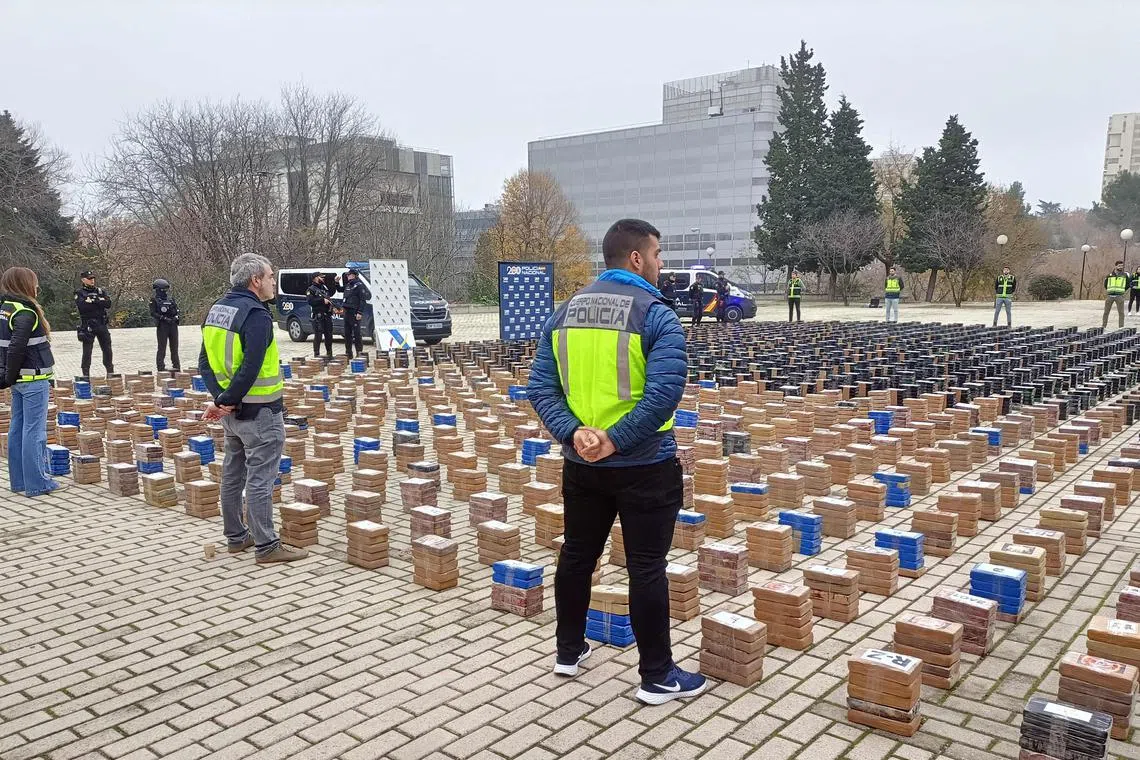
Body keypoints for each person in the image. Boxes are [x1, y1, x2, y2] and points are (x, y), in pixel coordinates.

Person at [528, 218, 704, 706]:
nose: (661, 263)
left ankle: (568, 651)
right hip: (645, 464)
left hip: (582, 465)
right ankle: (656, 676)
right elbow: (665, 393)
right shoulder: (657, 315)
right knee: (647, 567)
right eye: (658, 254)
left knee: (577, 556)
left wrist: (575, 433)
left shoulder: (562, 314)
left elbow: (540, 387)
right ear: (635, 258)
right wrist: (616, 439)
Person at [199, 253, 304, 564]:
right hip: (260, 412)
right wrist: (228, 400)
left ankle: (236, 537)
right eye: (271, 276)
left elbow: (204, 362)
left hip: (232, 415)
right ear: (256, 280)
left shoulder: (216, 310)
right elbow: (251, 366)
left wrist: (222, 400)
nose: (274, 282)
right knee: (260, 478)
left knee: (233, 475)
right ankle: (267, 545)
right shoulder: (256, 315)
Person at [0, 267, 66, 497]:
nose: (36, 287)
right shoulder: (25, 312)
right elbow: (17, 348)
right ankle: (37, 483)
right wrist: (8, 376)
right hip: (32, 378)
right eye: (34, 282)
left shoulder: (6, 309)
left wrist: (8, 376)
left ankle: (19, 481)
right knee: (34, 431)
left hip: (20, 379)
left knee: (17, 428)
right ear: (24, 284)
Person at [75, 270, 114, 379]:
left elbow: (108, 304)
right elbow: (83, 307)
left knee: (107, 349)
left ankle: (110, 372)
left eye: (93, 278)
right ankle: (86, 375)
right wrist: (99, 301)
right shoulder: (80, 293)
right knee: (87, 352)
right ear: (83, 280)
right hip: (88, 325)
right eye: (89, 279)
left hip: (101, 324)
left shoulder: (101, 291)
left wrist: (93, 300)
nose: (92, 281)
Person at [150, 278, 181, 372]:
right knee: (162, 347)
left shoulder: (171, 299)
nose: (165, 292)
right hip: (162, 325)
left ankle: (176, 366)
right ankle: (160, 367)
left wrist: (176, 317)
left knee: (174, 347)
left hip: (173, 325)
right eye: (163, 289)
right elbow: (153, 313)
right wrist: (163, 318)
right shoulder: (154, 300)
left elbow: (177, 310)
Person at [341, 268, 372, 360]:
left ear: (354, 275)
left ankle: (359, 352)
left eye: (349, 275)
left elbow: (363, 300)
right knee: (347, 334)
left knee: (357, 334)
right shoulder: (348, 285)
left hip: (354, 312)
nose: (347, 276)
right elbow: (340, 289)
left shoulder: (359, 286)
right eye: (347, 275)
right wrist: (335, 283)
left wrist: (359, 312)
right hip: (347, 312)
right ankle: (348, 353)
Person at [306, 272, 334, 359]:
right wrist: (322, 301)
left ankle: (329, 353)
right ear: (315, 278)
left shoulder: (324, 288)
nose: (323, 279)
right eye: (321, 277)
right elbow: (310, 301)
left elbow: (330, 295)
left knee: (329, 335)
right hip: (318, 315)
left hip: (327, 315)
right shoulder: (310, 289)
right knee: (318, 335)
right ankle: (316, 354)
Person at [1104, 261, 1129, 329]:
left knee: (1121, 313)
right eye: (1119, 266)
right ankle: (1103, 326)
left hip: (1119, 296)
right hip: (1110, 296)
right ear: (1115, 266)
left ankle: (1121, 327)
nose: (1121, 267)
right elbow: (1105, 285)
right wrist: (1110, 291)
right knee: (1106, 312)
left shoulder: (1125, 275)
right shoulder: (1109, 275)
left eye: (1121, 266)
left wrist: (1122, 291)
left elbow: (1128, 285)